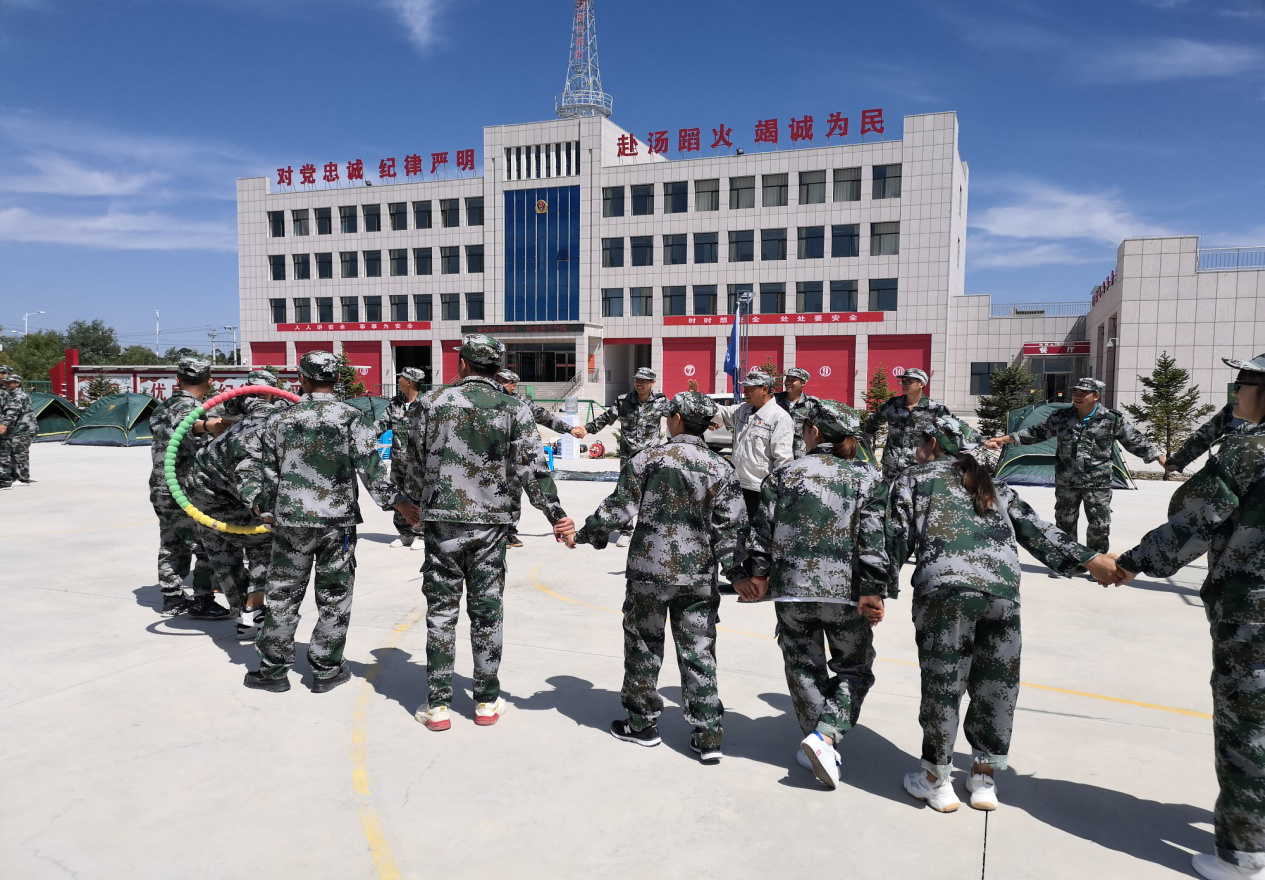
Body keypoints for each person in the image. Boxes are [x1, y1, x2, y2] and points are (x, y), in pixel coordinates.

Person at [888, 415, 1117, 813]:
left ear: (933, 444)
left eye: (921, 440)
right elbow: (1037, 530)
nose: (916, 448)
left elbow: (893, 538)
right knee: (996, 686)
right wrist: (1090, 560)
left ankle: (936, 780)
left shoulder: (914, 478)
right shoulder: (993, 485)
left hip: (946, 592)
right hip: (1003, 594)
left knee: (944, 684)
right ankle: (983, 778)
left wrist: (874, 588)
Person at [1113, 353, 1265, 880]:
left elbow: (1194, 521)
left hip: (1252, 612)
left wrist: (1130, 563)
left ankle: (1242, 855)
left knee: (1248, 725)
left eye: (1242, 383)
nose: (1235, 393)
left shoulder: (1251, 449)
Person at [403, 335, 576, 730]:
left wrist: (411, 506)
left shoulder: (430, 403)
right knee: (487, 613)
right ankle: (485, 702)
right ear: (497, 368)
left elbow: (408, 460)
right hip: (491, 526)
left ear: (463, 363)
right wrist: (557, 516)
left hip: (441, 522)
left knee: (441, 614)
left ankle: (438, 706)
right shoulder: (514, 408)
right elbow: (533, 469)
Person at [575, 391, 745, 763]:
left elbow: (617, 510)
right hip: (698, 575)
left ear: (677, 420)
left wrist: (588, 534)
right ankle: (708, 735)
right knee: (699, 651)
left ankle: (642, 724)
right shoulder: (721, 467)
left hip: (648, 573)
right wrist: (739, 575)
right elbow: (731, 529)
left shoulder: (648, 458)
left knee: (643, 645)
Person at [240, 351, 418, 694]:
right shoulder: (351, 418)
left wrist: (266, 511)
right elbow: (370, 467)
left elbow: (269, 473)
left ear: (302, 379)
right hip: (338, 523)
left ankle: (273, 670)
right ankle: (326, 668)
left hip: (291, 521)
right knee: (335, 594)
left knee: (282, 594)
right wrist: (400, 504)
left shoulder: (280, 419)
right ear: (337, 380)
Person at [738, 400, 892, 789]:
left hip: (792, 592)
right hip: (845, 593)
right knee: (855, 668)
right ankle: (826, 736)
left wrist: (758, 576)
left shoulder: (783, 475)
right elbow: (875, 539)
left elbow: (761, 532)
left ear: (815, 432)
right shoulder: (867, 478)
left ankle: (817, 740)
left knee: (803, 667)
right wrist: (874, 589)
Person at [983, 377, 1166, 561]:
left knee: (1099, 525)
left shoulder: (1111, 419)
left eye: (1083, 393)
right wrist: (1004, 439)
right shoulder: (1061, 417)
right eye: (1075, 392)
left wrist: (1158, 457)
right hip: (1067, 480)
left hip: (1097, 482)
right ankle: (1068, 563)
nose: (1077, 396)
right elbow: (1035, 432)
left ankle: (1097, 563)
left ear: (1096, 396)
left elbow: (1134, 440)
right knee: (1065, 522)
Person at [187, 369, 289, 640]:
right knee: (263, 545)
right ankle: (252, 614)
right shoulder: (271, 419)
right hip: (224, 489)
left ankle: (245, 615)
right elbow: (249, 477)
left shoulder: (239, 408)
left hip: (202, 487)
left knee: (222, 554)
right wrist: (265, 512)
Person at [147, 357, 230, 619]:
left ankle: (172, 598)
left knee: (172, 541)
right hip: (186, 490)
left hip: (162, 486)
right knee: (206, 544)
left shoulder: (163, 406)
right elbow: (186, 425)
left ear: (177, 379)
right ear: (210, 381)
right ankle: (202, 600)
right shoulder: (191, 407)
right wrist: (207, 425)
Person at [579, 367, 669, 547]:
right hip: (629, 457)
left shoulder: (661, 402)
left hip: (651, 457)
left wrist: (708, 422)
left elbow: (678, 417)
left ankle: (648, 531)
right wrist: (586, 429)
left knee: (651, 494)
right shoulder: (623, 401)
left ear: (652, 383)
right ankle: (626, 532)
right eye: (637, 380)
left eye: (643, 381)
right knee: (626, 494)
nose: (639, 383)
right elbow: (605, 418)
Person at [496, 368, 574, 549]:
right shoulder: (490, 401)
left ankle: (510, 533)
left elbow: (546, 417)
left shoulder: (522, 403)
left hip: (516, 459)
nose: (499, 384)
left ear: (513, 385)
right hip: (494, 459)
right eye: (497, 380)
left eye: (503, 382)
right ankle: (498, 533)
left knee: (513, 496)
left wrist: (570, 429)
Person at [708, 369, 795, 526]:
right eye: (745, 387)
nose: (745, 392)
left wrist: (779, 494)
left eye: (750, 388)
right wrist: (699, 399)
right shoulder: (743, 410)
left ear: (765, 389)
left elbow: (783, 460)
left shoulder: (779, 417)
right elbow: (720, 412)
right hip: (738, 486)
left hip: (760, 490)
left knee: (759, 532)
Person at [860, 368, 951, 481]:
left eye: (909, 381)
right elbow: (869, 426)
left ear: (921, 384)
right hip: (892, 468)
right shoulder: (892, 405)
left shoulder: (936, 409)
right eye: (903, 381)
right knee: (889, 492)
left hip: (920, 467)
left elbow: (948, 439)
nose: (904, 384)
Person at [378, 367, 427, 551]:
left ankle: (420, 533)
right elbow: (381, 424)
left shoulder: (425, 404)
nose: (398, 380)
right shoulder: (395, 403)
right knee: (398, 497)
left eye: (401, 378)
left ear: (410, 382)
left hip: (418, 463)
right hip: (398, 461)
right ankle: (405, 533)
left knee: (418, 498)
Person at [774, 366, 821, 459]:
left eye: (793, 380)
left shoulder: (811, 403)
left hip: (801, 454)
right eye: (787, 379)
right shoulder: (775, 400)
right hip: (777, 451)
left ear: (803, 383)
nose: (788, 382)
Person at [0, 374, 37, 487]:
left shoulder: (19, 396)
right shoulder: (10, 395)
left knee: (20, 453)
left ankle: (23, 478)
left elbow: (13, 412)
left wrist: (4, 425)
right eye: (5, 382)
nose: (6, 384)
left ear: (17, 383)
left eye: (9, 382)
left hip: (23, 429)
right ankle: (14, 476)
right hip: (16, 429)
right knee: (12, 452)